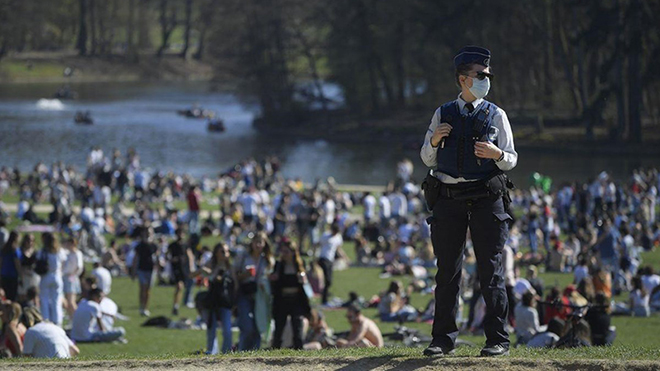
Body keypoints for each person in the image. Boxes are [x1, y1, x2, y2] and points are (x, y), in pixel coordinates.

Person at [420, 46, 517, 357]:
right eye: (480, 75)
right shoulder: (442, 112)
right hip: (448, 199)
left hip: (486, 198)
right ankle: (442, 339)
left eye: (487, 75)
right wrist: (434, 140)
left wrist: (497, 154)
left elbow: (511, 158)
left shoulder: (497, 114)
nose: (486, 80)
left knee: (491, 271)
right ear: (463, 79)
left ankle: (497, 340)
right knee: (447, 271)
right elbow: (426, 157)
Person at [192, 243, 235, 354]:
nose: (225, 254)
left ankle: (227, 353)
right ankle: (212, 352)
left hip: (225, 301)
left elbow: (236, 284)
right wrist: (204, 271)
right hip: (212, 301)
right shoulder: (211, 264)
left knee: (227, 330)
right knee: (211, 328)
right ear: (216, 253)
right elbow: (192, 275)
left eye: (226, 251)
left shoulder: (230, 267)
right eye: (222, 251)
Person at [234, 232, 273, 351]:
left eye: (261, 242)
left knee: (257, 326)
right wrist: (245, 275)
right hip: (244, 293)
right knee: (247, 326)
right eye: (256, 242)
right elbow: (234, 274)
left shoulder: (267, 260)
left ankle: (254, 355)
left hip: (260, 295)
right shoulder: (243, 256)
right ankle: (241, 352)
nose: (258, 245)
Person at [269, 239, 310, 349]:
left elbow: (305, 283)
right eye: (283, 252)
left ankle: (299, 352)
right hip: (282, 300)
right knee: (279, 329)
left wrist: (303, 278)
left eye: (287, 252)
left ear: (293, 252)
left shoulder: (300, 265)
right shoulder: (279, 265)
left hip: (296, 300)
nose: (285, 254)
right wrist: (273, 279)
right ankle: (275, 351)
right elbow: (274, 282)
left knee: (297, 327)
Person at [38, 232, 66, 326]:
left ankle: (46, 320)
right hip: (57, 275)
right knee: (56, 300)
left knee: (44, 299)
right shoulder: (59, 251)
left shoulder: (43, 251)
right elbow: (63, 263)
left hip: (46, 276)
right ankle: (58, 321)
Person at [131, 227, 157, 317]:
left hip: (151, 270)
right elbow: (136, 258)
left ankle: (146, 307)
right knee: (143, 288)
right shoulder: (140, 245)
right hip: (142, 269)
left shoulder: (154, 245)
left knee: (148, 290)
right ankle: (141, 306)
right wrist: (133, 271)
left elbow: (156, 258)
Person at [317, 223, 343, 305]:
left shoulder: (338, 238)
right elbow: (318, 244)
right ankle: (324, 299)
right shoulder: (325, 236)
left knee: (329, 281)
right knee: (327, 280)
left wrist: (345, 257)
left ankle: (325, 296)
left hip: (330, 260)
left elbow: (338, 249)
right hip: (323, 258)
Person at [62, 237, 83, 318]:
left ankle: (78, 318)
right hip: (66, 277)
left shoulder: (77, 254)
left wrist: (73, 275)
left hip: (71, 277)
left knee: (71, 302)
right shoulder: (67, 253)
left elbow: (79, 267)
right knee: (67, 302)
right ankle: (72, 319)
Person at [168, 229, 187, 316]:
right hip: (175, 268)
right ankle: (175, 306)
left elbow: (189, 255)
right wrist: (172, 259)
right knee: (179, 286)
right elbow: (167, 255)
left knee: (181, 287)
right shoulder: (172, 245)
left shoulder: (185, 245)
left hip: (183, 268)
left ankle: (176, 305)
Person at [18, 234, 40, 302]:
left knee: (34, 294)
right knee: (22, 294)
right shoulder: (20, 251)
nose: (30, 242)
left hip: (33, 275)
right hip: (23, 275)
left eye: (32, 241)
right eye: (28, 240)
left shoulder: (36, 252)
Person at [0, 231, 21, 301]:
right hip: (13, 276)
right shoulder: (15, 250)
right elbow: (17, 264)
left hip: (4, 274)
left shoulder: (4, 249)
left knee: (5, 296)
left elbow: (1, 262)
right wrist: (21, 275)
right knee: (12, 296)